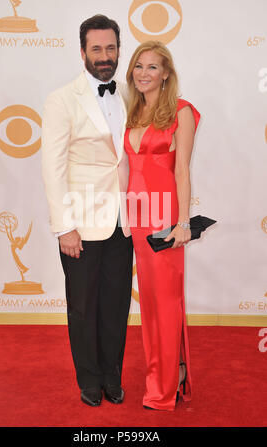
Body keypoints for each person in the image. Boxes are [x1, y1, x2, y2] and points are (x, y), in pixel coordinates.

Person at [41, 15, 133, 407]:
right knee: (83, 307)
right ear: (82, 52)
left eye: (110, 48)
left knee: (116, 305)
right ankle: (90, 379)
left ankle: (113, 374)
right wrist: (65, 227)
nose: (104, 56)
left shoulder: (130, 94)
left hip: (122, 222)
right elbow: (53, 167)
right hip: (80, 223)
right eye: (96, 49)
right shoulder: (62, 99)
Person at [124, 41, 200, 411]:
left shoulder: (181, 112)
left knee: (165, 303)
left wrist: (183, 222)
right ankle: (172, 371)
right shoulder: (131, 111)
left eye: (152, 67)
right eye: (139, 66)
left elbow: (182, 169)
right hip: (135, 217)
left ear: (166, 73)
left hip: (164, 217)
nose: (144, 73)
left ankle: (163, 387)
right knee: (151, 305)